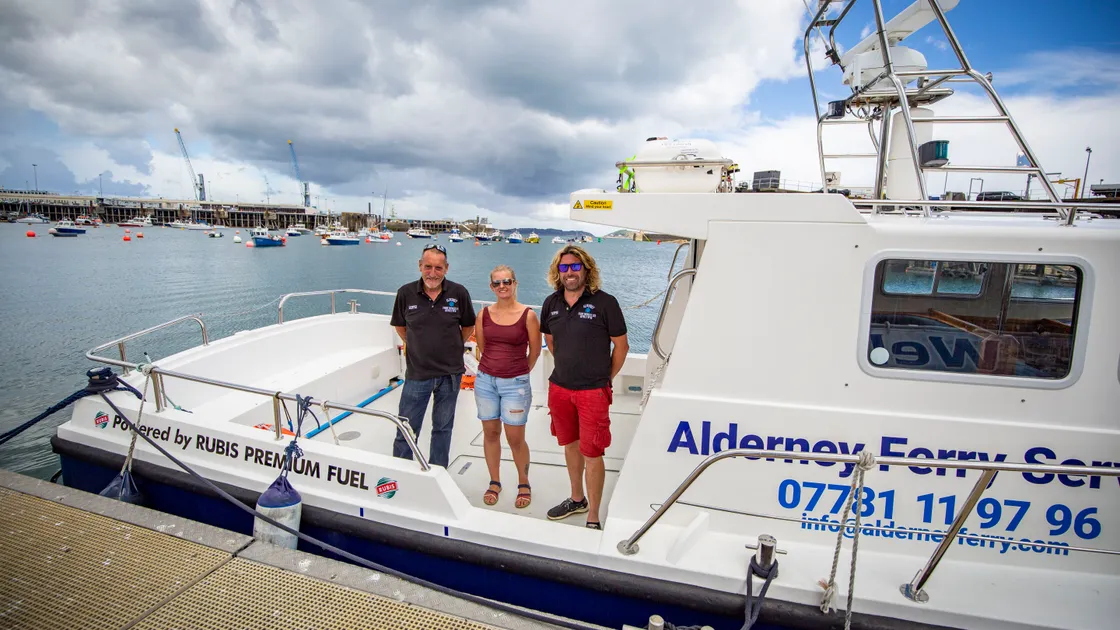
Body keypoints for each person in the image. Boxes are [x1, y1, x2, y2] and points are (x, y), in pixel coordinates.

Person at [540, 245, 628, 530]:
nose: (569, 272)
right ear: (558, 272)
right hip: (560, 389)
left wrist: (606, 377)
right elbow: (551, 341)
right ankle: (577, 499)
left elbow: (622, 345)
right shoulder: (551, 303)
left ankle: (593, 516)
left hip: (593, 391)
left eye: (575, 266)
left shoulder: (605, 303)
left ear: (586, 269)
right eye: (564, 267)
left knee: (593, 452)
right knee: (570, 445)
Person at [390, 243, 476, 468]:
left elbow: (468, 326)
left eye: (438, 268)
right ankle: (402, 472)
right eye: (428, 267)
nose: (433, 273)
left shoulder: (458, 293)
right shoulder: (405, 293)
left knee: (443, 428)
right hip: (418, 375)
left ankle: (438, 472)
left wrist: (452, 345)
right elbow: (400, 327)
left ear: (446, 269)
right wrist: (418, 345)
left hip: (450, 375)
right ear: (420, 266)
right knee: (407, 429)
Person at [474, 265, 542, 508]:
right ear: (491, 287)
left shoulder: (529, 315)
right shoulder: (483, 315)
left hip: (516, 384)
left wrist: (518, 372)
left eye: (507, 281)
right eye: (497, 283)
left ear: (515, 283)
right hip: (485, 382)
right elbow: (482, 346)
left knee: (515, 438)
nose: (502, 286)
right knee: (491, 433)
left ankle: (523, 482)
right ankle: (495, 481)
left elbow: (535, 350)